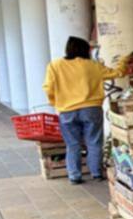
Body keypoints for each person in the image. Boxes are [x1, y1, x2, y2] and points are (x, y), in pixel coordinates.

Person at [42, 37, 123, 184]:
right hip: (91, 109)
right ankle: (96, 173)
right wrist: (124, 62)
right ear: (85, 50)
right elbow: (116, 73)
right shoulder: (93, 65)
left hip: (67, 110)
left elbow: (48, 88)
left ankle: (74, 176)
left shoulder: (55, 65)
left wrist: (56, 103)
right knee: (94, 142)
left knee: (72, 144)